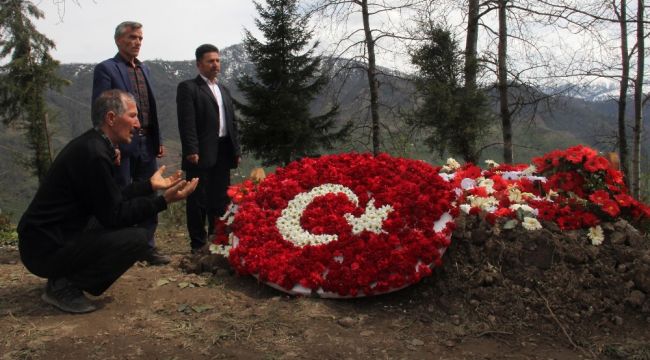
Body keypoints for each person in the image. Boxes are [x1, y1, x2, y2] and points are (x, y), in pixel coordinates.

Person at [17, 90, 198, 314]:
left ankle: (63, 276)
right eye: (132, 116)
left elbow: (109, 198)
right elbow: (114, 215)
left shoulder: (93, 145)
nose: (138, 124)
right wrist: (163, 201)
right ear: (111, 118)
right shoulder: (94, 154)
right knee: (137, 239)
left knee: (122, 228)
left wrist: (148, 186)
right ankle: (64, 286)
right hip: (45, 248)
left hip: (46, 238)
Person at [91, 21, 168, 265]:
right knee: (121, 192)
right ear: (119, 40)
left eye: (140, 38)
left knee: (150, 190)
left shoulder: (144, 69)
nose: (137, 42)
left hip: (147, 141)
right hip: (122, 142)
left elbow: (150, 108)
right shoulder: (107, 69)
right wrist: (108, 144)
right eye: (132, 37)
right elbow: (101, 110)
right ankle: (119, 245)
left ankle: (147, 246)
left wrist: (158, 139)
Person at [176, 44, 240, 254]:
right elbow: (187, 122)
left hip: (223, 150)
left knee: (220, 197)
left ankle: (217, 236)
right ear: (199, 64)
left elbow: (232, 122)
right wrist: (191, 149)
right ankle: (197, 243)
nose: (215, 64)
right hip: (200, 152)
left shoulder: (223, 90)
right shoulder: (189, 88)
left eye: (218, 60)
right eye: (210, 61)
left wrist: (236, 150)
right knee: (198, 199)